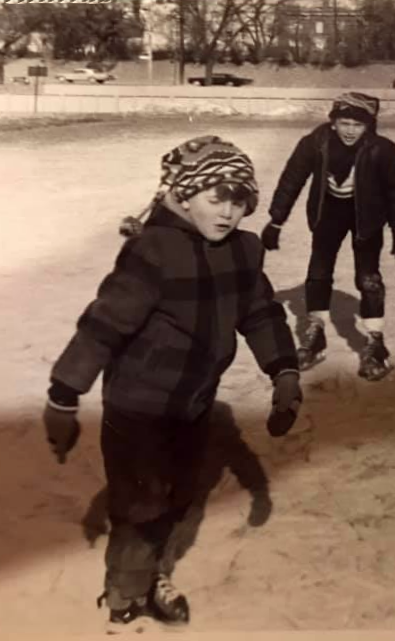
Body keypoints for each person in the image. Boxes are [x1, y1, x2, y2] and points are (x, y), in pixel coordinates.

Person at [42, 135, 303, 632]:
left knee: (179, 494)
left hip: (193, 402)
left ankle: (150, 573)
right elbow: (105, 324)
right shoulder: (154, 251)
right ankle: (125, 600)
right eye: (215, 198)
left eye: (239, 200)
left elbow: (261, 313)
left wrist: (283, 371)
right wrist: (64, 394)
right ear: (184, 195)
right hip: (138, 404)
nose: (228, 212)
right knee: (140, 503)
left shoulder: (244, 251)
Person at [259, 92, 395, 381]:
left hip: (366, 215)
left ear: (369, 126)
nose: (350, 131)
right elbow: (292, 178)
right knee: (318, 272)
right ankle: (316, 333)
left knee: (368, 277)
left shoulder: (383, 149)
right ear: (333, 123)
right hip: (327, 212)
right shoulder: (315, 143)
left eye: (357, 124)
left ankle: (375, 341)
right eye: (344, 123)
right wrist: (276, 220)